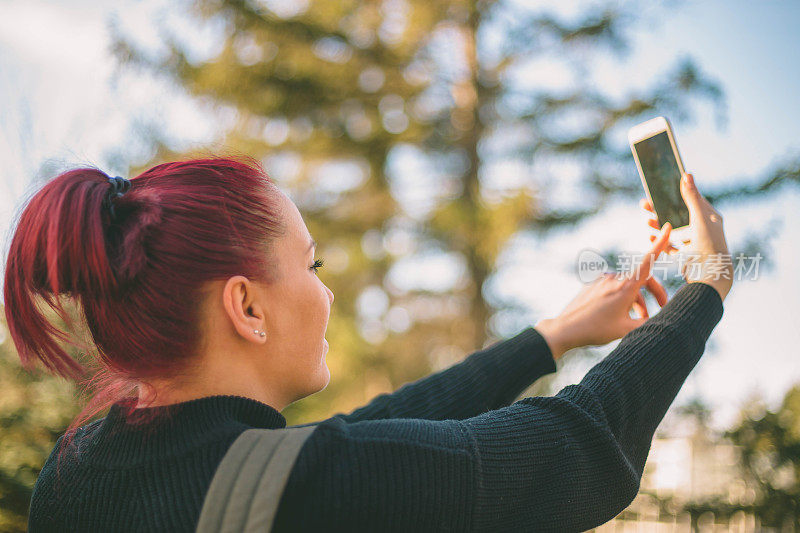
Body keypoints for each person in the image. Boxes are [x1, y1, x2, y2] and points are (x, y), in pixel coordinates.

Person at [3, 158, 731, 532]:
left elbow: (369, 429)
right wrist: (705, 287)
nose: (326, 291)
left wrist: (553, 336)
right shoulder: (316, 485)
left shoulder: (70, 479)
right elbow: (578, 442)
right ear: (247, 306)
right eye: (311, 264)